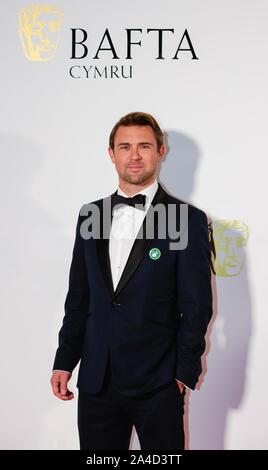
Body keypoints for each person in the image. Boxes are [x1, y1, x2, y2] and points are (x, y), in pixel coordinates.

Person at [50, 112, 213, 450]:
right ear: (111, 153)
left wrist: (183, 372)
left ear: (160, 152)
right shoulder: (90, 214)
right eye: (125, 146)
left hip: (158, 382)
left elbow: (196, 306)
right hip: (97, 381)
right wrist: (65, 360)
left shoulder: (187, 219)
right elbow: (79, 297)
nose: (134, 156)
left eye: (144, 146)